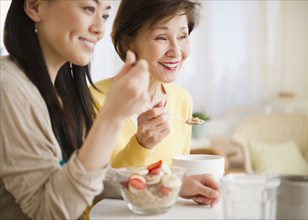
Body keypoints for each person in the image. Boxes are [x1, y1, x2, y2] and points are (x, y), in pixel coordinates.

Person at [0, 1, 219, 219]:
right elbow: (51, 210)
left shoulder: (53, 92)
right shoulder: (8, 87)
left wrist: (174, 185)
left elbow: (83, 181)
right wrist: (113, 115)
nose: (99, 29)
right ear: (35, 6)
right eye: (88, 9)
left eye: (104, 16)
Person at [91, 0, 199, 168]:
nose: (177, 51)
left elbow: (175, 178)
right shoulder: (93, 100)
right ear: (128, 43)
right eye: (161, 37)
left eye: (182, 36)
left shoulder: (183, 100)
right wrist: (141, 145)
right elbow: (92, 185)